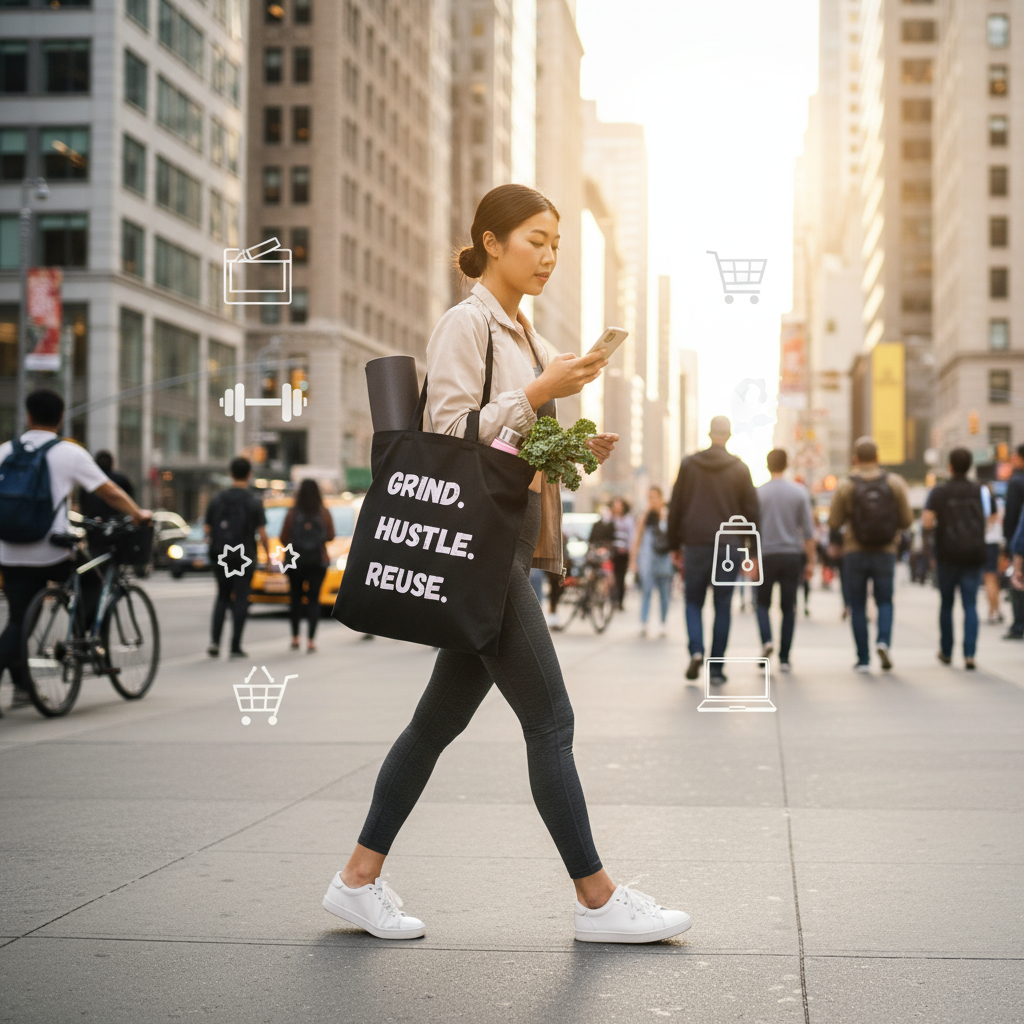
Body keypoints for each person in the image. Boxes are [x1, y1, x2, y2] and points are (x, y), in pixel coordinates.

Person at [322, 183, 691, 945]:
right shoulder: (468, 324)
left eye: (556, 242)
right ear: (490, 242)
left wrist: (569, 446)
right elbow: (452, 434)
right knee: (551, 720)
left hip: (505, 543)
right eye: (535, 239)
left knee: (434, 724)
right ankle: (598, 900)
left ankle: (356, 879)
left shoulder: (524, 332)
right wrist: (540, 391)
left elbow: (510, 450)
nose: (549, 255)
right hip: (480, 554)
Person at [0, 390, 150, 709]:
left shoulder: (5, 452)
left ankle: (22, 688)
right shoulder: (68, 453)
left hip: (9, 549)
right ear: (61, 418)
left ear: (27, 416)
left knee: (18, 620)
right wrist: (138, 514)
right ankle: (81, 641)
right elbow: (108, 490)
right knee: (92, 582)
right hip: (51, 549)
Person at [667, 415, 758, 683]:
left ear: (709, 434)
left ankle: (696, 650)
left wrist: (674, 544)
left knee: (693, 601)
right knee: (723, 605)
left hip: (695, 543)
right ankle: (716, 669)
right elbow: (752, 512)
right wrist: (751, 552)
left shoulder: (689, 465)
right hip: (729, 546)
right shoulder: (740, 468)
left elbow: (676, 507)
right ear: (728, 436)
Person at [828, 436, 913, 673]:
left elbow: (834, 521)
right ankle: (883, 641)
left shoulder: (847, 485)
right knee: (885, 600)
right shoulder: (894, 483)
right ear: (878, 457)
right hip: (885, 551)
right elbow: (906, 520)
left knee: (857, 604)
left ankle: (863, 659)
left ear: (855, 459)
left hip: (855, 552)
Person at [922, 448, 987, 669]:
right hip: (974, 554)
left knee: (947, 604)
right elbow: (994, 516)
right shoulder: (980, 490)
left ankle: (947, 651)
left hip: (947, 554)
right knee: (970, 604)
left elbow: (927, 521)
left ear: (950, 466)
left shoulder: (939, 491)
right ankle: (970, 654)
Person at [755, 449, 815, 672]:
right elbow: (809, 533)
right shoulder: (799, 493)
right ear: (787, 464)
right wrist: (810, 562)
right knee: (788, 607)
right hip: (791, 555)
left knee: (761, 604)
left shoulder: (758, 493)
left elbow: (749, 530)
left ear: (767, 465)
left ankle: (767, 641)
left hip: (765, 555)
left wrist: (749, 558)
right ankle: (785, 658)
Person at [205, 456, 268, 659]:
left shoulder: (217, 499)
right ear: (249, 474)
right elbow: (262, 533)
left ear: (230, 474)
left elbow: (207, 529)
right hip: (245, 556)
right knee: (241, 598)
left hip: (221, 555)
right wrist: (268, 555)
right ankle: (235, 646)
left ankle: (215, 642)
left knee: (222, 597)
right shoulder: (253, 501)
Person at [280, 479, 335, 653]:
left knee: (295, 599)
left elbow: (283, 537)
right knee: (313, 600)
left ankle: (295, 638)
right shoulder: (323, 513)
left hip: (295, 561)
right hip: (317, 561)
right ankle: (311, 641)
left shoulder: (292, 513)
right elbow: (331, 535)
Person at [630, 486, 675, 638]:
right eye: (650, 497)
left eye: (655, 497)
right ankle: (643, 623)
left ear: (661, 498)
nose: (653, 500)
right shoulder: (644, 517)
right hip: (647, 559)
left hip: (664, 559)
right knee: (646, 591)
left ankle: (663, 623)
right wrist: (634, 561)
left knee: (664, 593)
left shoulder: (668, 515)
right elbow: (637, 539)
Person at [1001, 444, 1024, 640]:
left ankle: (1018, 624)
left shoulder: (1016, 482)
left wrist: (1009, 542)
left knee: (1017, 581)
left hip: (1020, 541)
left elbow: (1012, 515)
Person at [79, 450, 135, 520]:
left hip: (92, 522)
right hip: (116, 522)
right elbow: (130, 497)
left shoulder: (89, 479)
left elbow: (82, 502)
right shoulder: (121, 479)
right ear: (112, 463)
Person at [981, 482, 1004, 624]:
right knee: (994, 578)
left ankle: (992, 611)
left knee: (989, 578)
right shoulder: (999, 503)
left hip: (987, 543)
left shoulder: (986, 505)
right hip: (996, 543)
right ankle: (996, 609)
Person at [608, 498, 633, 611]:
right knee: (610, 577)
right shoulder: (610, 518)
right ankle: (612, 600)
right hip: (611, 552)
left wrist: (628, 549)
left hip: (623, 553)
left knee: (620, 577)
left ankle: (620, 601)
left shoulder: (628, 520)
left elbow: (631, 536)